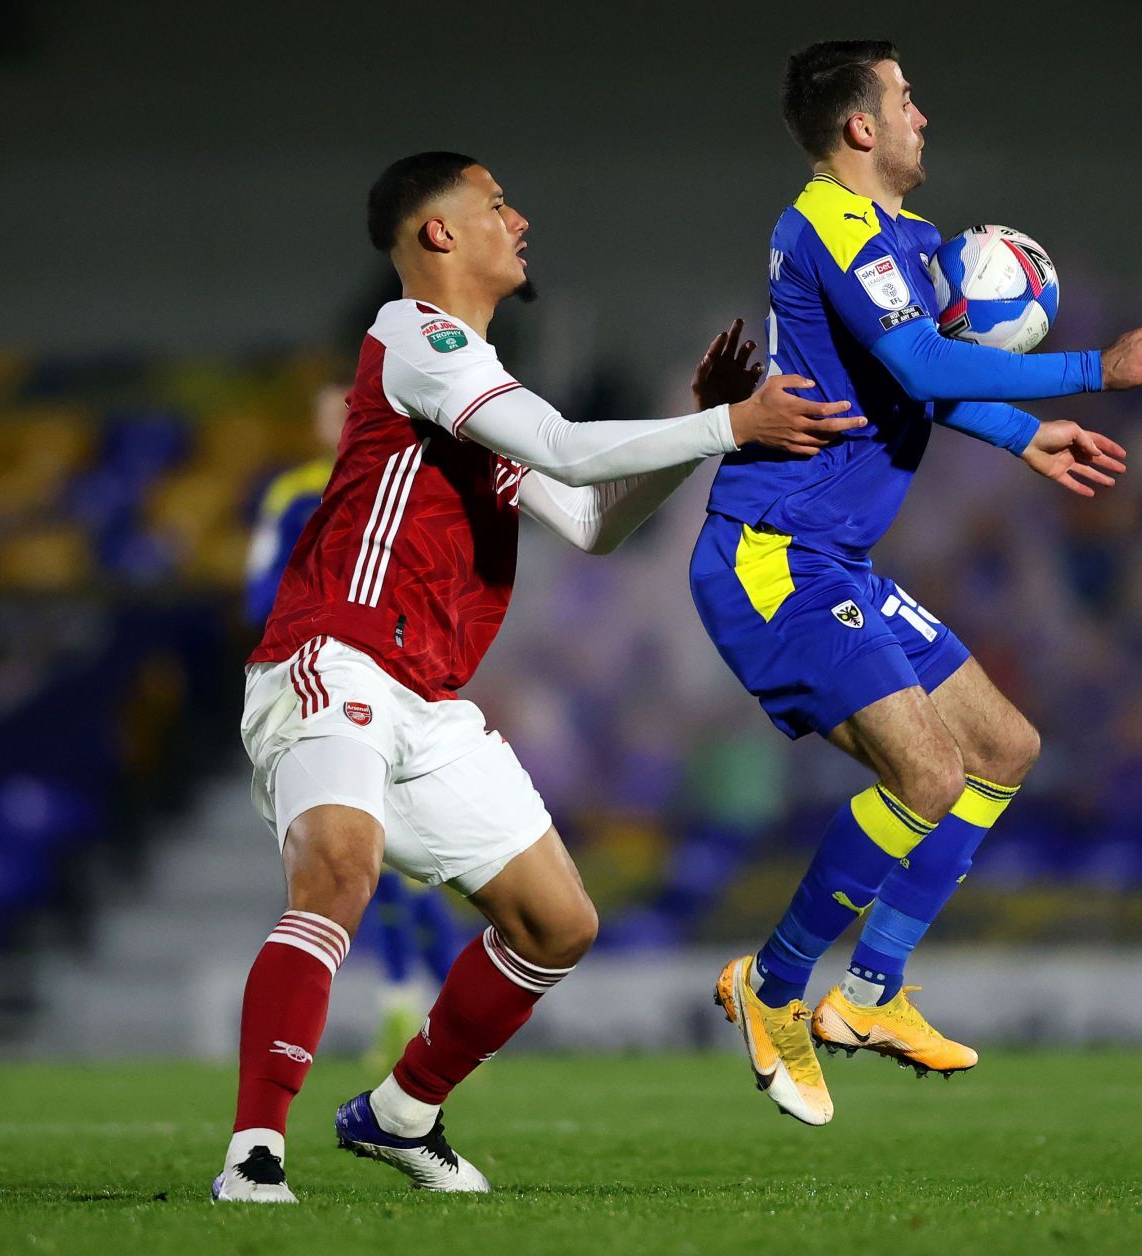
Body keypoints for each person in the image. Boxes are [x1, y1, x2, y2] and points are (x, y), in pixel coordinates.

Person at [214, 150, 861, 1201]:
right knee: (337, 870)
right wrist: (733, 423)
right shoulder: (415, 339)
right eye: (497, 204)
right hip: (334, 656)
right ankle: (254, 1153)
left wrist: (688, 441)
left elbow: (596, 520)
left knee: (559, 923)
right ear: (438, 236)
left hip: (426, 697)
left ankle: (401, 1111)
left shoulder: (476, 386)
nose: (521, 218)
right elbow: (563, 445)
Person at [694, 41, 1142, 1125]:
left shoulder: (909, 243)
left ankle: (870, 992)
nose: (924, 112)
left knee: (1004, 746)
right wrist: (1091, 370)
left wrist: (1024, 435)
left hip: (836, 560)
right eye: (906, 97)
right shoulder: (827, 220)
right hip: (771, 553)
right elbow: (922, 368)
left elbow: (912, 378)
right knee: (925, 771)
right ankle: (773, 989)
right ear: (861, 127)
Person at [243, 380, 463, 1072]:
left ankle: (427, 1008)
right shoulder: (293, 496)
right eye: (326, 412)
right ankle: (420, 1007)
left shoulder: (405, 482)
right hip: (328, 682)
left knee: (404, 866)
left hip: (405, 682)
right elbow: (257, 592)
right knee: (385, 864)